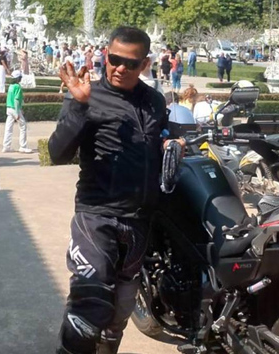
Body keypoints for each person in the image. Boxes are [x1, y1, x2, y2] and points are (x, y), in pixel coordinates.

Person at [49, 26, 181, 354]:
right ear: (105, 55)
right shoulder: (86, 94)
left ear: (145, 64)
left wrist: (170, 143)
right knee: (89, 309)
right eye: (114, 59)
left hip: (138, 220)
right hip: (97, 215)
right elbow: (57, 153)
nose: (120, 67)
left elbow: (157, 139)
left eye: (131, 63)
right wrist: (79, 106)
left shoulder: (153, 101)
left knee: (117, 317)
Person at [2, 70, 32, 153]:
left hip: (9, 108)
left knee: (8, 128)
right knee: (23, 126)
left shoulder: (11, 86)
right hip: (14, 109)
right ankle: (23, 146)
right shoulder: (17, 87)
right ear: (18, 78)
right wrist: (17, 111)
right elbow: (16, 100)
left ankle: (6, 146)